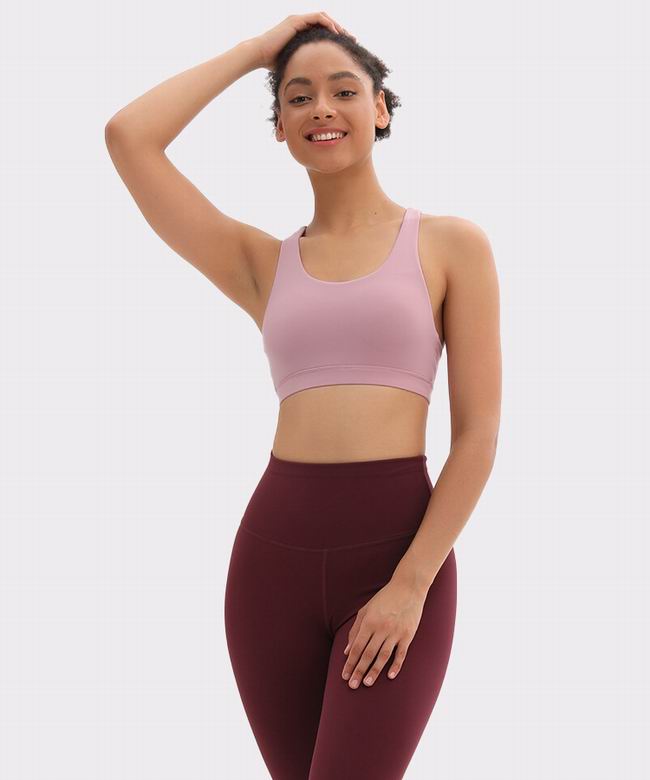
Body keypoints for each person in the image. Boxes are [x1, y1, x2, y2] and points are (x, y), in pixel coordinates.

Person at [105, 12, 501, 779]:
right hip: (271, 566)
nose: (322, 106)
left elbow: (479, 432)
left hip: (397, 556)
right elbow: (129, 137)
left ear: (380, 107)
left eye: (344, 90)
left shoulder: (451, 245)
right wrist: (258, 50)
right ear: (280, 127)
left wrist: (411, 584)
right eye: (297, 96)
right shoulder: (261, 265)